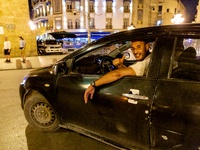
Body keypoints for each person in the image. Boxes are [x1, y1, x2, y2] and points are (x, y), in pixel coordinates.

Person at [84, 41, 150, 103]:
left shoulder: (144, 63)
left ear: (147, 46)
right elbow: (130, 73)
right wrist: (120, 65)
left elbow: (117, 74)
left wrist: (93, 84)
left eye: (139, 47)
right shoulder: (149, 58)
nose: (135, 52)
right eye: (133, 48)